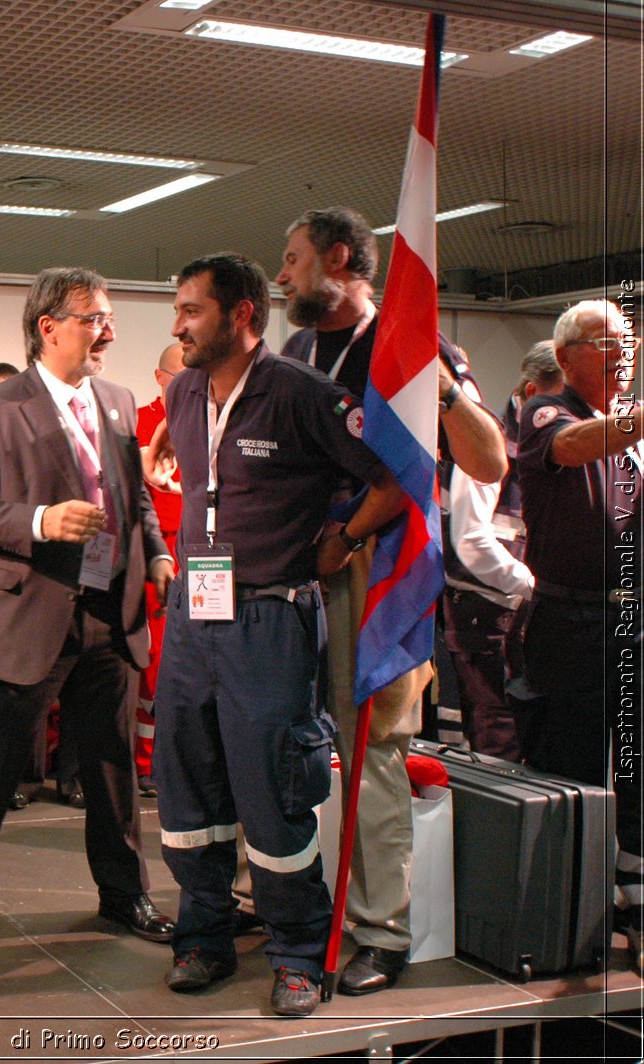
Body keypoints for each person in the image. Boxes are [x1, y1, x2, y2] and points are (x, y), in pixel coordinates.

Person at [154, 254, 406, 1017]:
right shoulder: (184, 390)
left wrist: (343, 539)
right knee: (187, 781)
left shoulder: (305, 395)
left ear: (241, 316)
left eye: (192, 310)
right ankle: (205, 932)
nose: (177, 325)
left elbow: (394, 480)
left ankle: (299, 952)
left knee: (273, 790)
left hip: (270, 617)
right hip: (195, 618)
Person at [274, 207, 507, 996]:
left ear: (341, 258)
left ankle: (382, 930)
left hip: (378, 571)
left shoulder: (413, 343)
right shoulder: (301, 348)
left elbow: (486, 459)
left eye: (294, 259)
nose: (283, 275)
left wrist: (437, 384)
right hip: (299, 570)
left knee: (374, 749)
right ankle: (301, 906)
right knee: (291, 745)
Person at [0, 266, 175, 974]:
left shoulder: (121, 401)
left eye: (109, 317)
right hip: (27, 615)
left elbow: (139, 498)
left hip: (109, 611)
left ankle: (123, 894)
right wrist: (38, 519)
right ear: (50, 326)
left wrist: (154, 555)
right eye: (96, 317)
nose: (110, 331)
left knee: (110, 770)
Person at [515, 298, 641, 971]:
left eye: (630, 341)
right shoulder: (547, 411)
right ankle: (569, 914)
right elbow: (572, 447)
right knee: (575, 768)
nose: (623, 354)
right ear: (565, 357)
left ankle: (637, 900)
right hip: (572, 624)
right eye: (605, 342)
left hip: (633, 620)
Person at [440, 342, 561, 761]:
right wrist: (535, 585)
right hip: (487, 614)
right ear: (532, 394)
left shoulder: (543, 447)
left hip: (522, 612)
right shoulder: (489, 441)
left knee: (527, 729)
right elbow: (470, 540)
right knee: (500, 733)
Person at [133, 342, 186, 797]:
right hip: (160, 559)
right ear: (159, 377)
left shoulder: (215, 417)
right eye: (180, 373)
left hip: (212, 557)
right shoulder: (139, 424)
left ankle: (186, 760)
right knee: (156, 667)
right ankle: (147, 762)